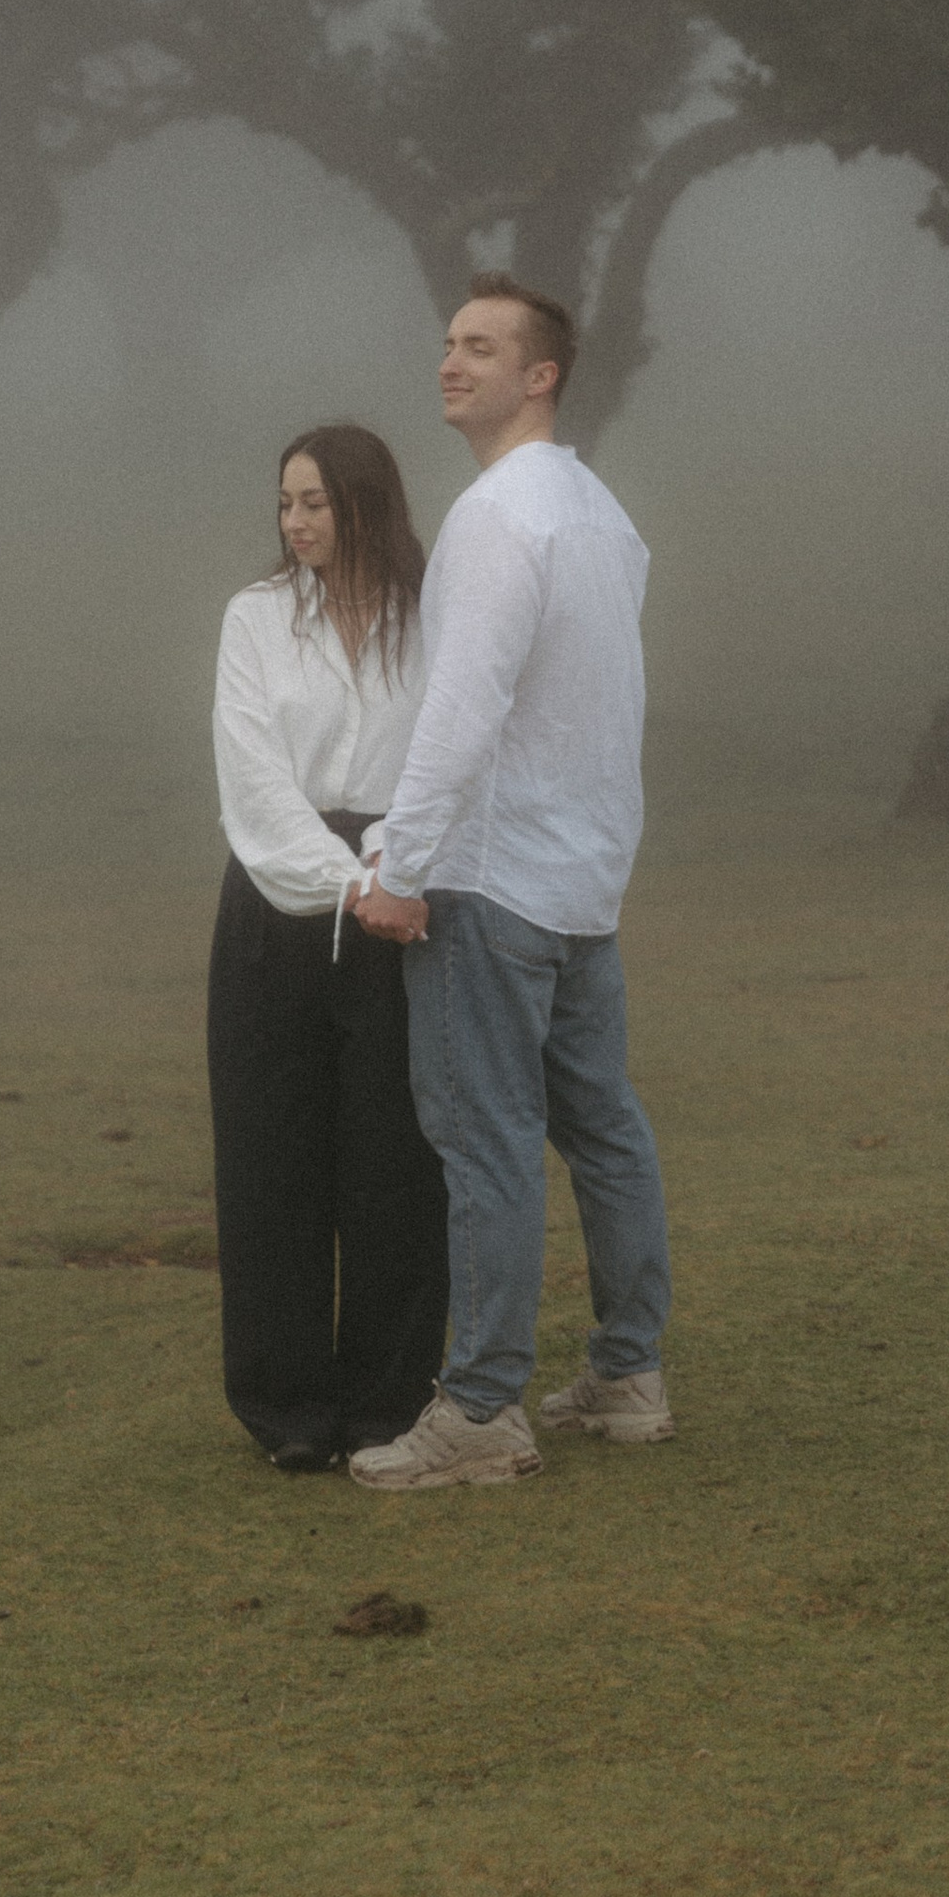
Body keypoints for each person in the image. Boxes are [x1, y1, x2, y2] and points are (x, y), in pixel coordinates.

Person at [346, 276, 674, 1491]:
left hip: (493, 884)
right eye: (446, 342)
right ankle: (628, 1375)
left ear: (541, 375)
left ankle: (481, 1409)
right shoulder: (599, 514)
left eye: (480, 348)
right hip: (582, 878)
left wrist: (402, 863)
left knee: (485, 1142)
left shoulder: (499, 519)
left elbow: (464, 708)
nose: (450, 362)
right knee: (604, 1130)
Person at [206, 423, 451, 1473]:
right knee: (272, 1152)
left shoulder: (431, 616)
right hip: (282, 898)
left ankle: (389, 1399)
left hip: (408, 886)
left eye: (315, 503)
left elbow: (450, 745)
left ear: (365, 506)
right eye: (285, 504)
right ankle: (287, 1407)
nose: (296, 523)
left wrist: (394, 866)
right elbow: (251, 774)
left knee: (396, 1155)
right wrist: (351, 883)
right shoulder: (256, 619)